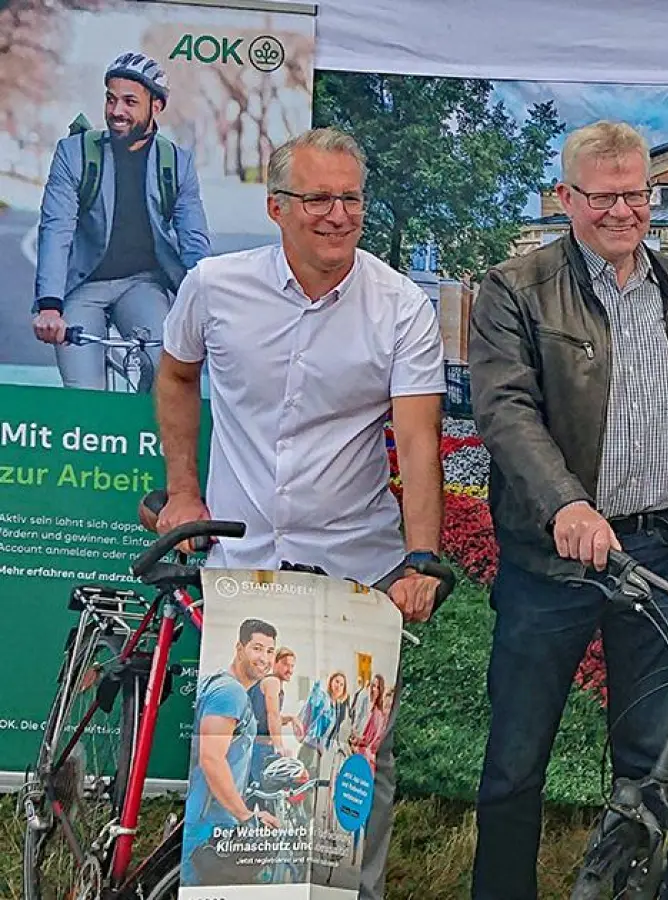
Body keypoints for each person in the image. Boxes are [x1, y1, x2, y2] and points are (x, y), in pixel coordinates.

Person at [154, 126, 446, 900]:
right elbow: (177, 376)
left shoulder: (400, 306)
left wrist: (422, 556)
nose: (337, 215)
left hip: (352, 570)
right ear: (277, 207)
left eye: (350, 198)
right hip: (241, 567)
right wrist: (183, 488)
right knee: (234, 745)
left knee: (354, 760)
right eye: (318, 198)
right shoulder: (215, 286)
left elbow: (418, 443)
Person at [467, 119, 668, 900]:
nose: (623, 212)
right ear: (566, 197)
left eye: (637, 194)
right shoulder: (515, 288)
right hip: (549, 563)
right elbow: (506, 412)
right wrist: (568, 507)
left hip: (654, 555)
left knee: (651, 764)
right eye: (603, 196)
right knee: (516, 761)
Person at [32, 52, 210, 390]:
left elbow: (194, 241)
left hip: (142, 284)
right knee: (86, 398)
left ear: (156, 106)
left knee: (169, 375)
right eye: (111, 99)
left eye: (130, 102)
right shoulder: (75, 153)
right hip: (83, 287)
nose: (117, 111)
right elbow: (56, 230)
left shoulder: (177, 163)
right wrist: (50, 306)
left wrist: (205, 303)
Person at [184, 618, 282, 884]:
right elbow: (211, 759)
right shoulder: (230, 692)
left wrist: (245, 811)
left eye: (270, 651)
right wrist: (244, 816)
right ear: (239, 648)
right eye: (257, 648)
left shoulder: (226, 686)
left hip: (214, 820)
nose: (264, 658)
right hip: (207, 830)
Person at [247, 647, 298, 789]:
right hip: (260, 748)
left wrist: (290, 719)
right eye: (286, 664)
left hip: (252, 747)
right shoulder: (273, 682)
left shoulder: (268, 682)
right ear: (275, 663)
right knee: (269, 796)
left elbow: (266, 717)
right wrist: (279, 746)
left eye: (292, 666)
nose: (290, 670)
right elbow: (272, 714)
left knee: (251, 796)